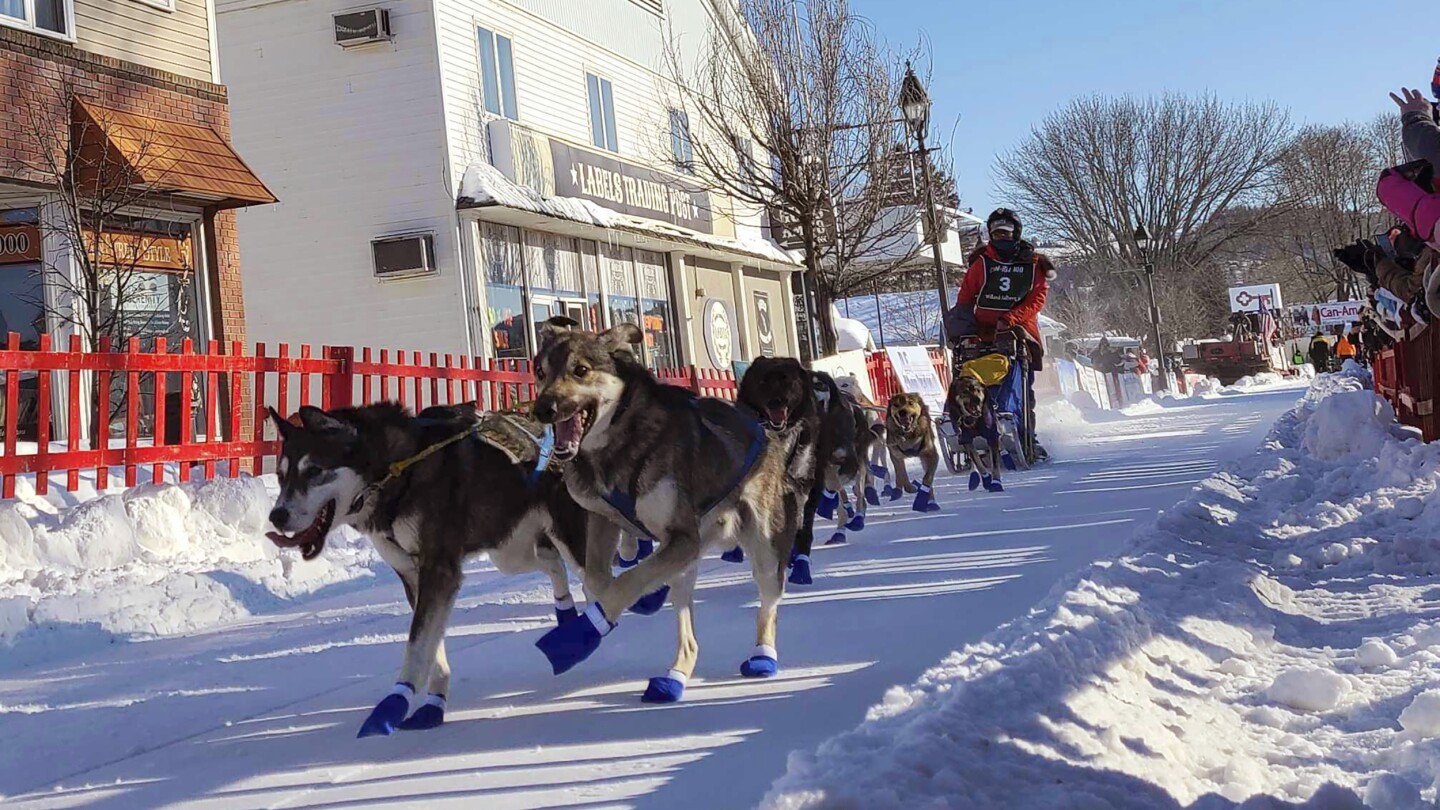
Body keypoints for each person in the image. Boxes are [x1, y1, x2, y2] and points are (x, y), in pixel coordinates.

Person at [947, 208, 1056, 459]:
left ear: (1015, 233)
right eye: (997, 232)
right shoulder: (982, 261)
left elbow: (1037, 299)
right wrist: (962, 325)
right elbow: (966, 296)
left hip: (1019, 333)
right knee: (972, 377)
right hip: (982, 333)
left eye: (1006, 232)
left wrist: (1010, 319)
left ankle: (1026, 434)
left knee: (1020, 386)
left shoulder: (1033, 263)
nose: (1001, 237)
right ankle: (973, 425)